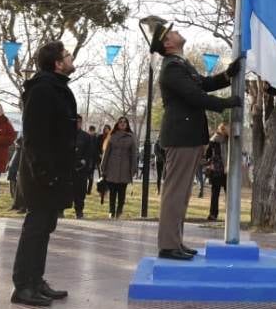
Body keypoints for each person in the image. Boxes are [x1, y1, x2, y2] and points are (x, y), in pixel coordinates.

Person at [152, 21, 240, 261]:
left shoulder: (180, 63)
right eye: (171, 32)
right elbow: (193, 95)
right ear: (167, 44)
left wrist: (226, 75)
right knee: (175, 192)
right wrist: (226, 104)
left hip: (189, 136)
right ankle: (168, 245)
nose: (176, 31)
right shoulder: (171, 67)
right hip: (181, 137)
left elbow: (202, 83)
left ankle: (175, 241)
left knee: (182, 193)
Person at [12, 40, 78, 307]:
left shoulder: (57, 88)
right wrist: (45, 173)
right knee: (35, 228)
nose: (71, 57)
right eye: (67, 55)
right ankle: (23, 286)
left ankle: (36, 280)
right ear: (57, 63)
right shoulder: (42, 90)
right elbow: (35, 138)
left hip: (55, 173)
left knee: (45, 229)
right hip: (42, 174)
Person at [99, 116, 135, 218]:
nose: (123, 123)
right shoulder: (112, 136)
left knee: (122, 192)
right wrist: (103, 166)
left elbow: (133, 154)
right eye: (120, 122)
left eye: (125, 122)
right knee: (112, 192)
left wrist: (133, 168)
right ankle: (111, 211)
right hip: (112, 168)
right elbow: (106, 153)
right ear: (117, 124)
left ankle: (119, 211)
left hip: (124, 169)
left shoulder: (131, 137)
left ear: (127, 125)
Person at [69, 120, 95, 218]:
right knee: (66, 189)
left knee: (80, 191)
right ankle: (60, 210)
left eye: (79, 122)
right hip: (68, 167)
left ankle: (79, 211)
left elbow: (89, 152)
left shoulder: (86, 136)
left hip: (81, 168)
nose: (76, 123)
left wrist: (84, 161)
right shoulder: (66, 134)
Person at [203, 123, 228, 221]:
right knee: (227, 194)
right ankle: (229, 215)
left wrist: (211, 162)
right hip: (225, 170)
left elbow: (207, 155)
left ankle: (213, 214)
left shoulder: (213, 140)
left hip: (217, 170)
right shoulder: (228, 140)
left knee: (215, 194)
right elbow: (207, 155)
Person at [8, 136, 25, 213]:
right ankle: (16, 203)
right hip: (18, 152)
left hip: (23, 153)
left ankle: (23, 205)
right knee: (12, 177)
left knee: (22, 183)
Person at [96, 124, 111, 205]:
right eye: (105, 129)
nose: (106, 130)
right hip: (100, 160)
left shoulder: (111, 137)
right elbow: (97, 147)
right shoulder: (100, 137)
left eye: (107, 129)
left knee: (107, 178)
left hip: (108, 161)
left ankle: (106, 191)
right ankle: (101, 191)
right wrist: (99, 154)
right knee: (101, 177)